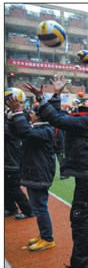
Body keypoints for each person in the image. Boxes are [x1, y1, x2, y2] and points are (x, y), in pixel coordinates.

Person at [23, 75, 88, 268]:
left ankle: (80, 265)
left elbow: (58, 120)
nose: (87, 100)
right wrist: (56, 94)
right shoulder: (84, 118)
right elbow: (61, 117)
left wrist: (41, 98)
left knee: (79, 216)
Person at [7, 100, 56, 250]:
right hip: (34, 172)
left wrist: (18, 113)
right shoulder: (37, 128)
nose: (31, 115)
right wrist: (11, 117)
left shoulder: (45, 130)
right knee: (38, 206)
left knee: (40, 207)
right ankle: (43, 234)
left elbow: (25, 132)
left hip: (39, 173)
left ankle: (48, 238)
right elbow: (16, 131)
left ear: (40, 117)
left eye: (33, 113)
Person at [4, 109, 34, 218]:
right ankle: (11, 208)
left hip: (12, 164)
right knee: (5, 188)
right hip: (9, 163)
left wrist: (5, 116)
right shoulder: (16, 129)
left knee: (14, 189)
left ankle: (28, 210)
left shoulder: (12, 131)